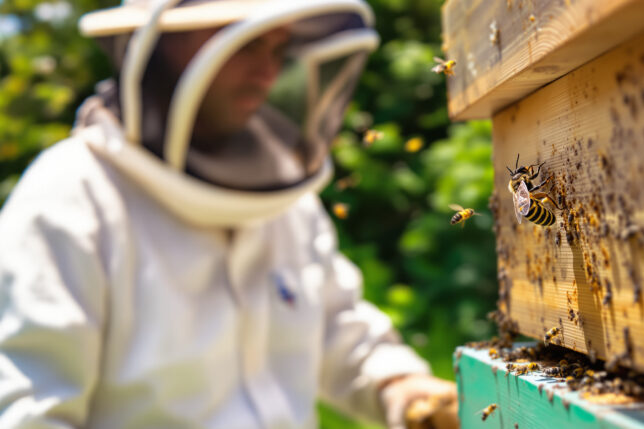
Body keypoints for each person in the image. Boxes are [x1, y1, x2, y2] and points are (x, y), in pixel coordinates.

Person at [0, 0, 458, 428]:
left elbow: (336, 328)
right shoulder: (70, 197)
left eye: (278, 47)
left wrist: (402, 387)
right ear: (153, 48)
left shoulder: (285, 200)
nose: (267, 72)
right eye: (243, 41)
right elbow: (33, 411)